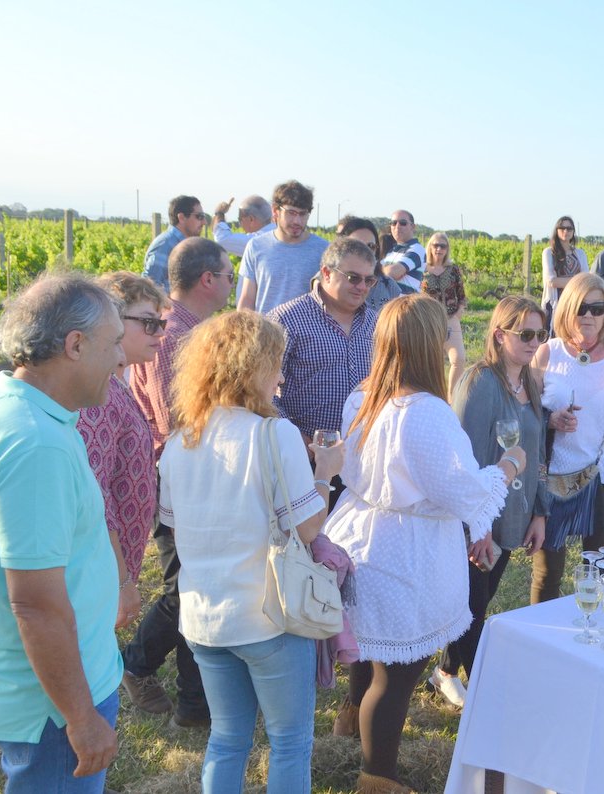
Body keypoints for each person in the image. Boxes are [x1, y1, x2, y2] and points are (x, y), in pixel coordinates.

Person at [324, 294, 524, 794]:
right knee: (396, 673)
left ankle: (350, 718)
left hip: (361, 532)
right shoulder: (427, 412)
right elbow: (462, 490)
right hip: (405, 550)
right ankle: (378, 776)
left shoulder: (364, 395)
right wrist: (509, 465)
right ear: (429, 345)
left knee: (369, 645)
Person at [159, 310, 343, 794]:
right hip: (269, 616)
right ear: (253, 366)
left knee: (226, 739)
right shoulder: (274, 433)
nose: (281, 378)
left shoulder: (179, 442)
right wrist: (325, 472)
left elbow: (175, 528)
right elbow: (308, 528)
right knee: (289, 742)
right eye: (277, 364)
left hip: (204, 618)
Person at [0, 273, 125, 792]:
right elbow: (36, 604)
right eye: (114, 344)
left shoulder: (9, 410)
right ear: (75, 345)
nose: (122, 360)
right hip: (53, 710)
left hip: (46, 690)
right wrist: (81, 719)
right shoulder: (33, 442)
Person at [122, 237, 235, 727]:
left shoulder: (188, 330)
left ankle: (190, 700)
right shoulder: (176, 337)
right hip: (178, 479)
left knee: (191, 583)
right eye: (228, 275)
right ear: (208, 280)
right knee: (187, 587)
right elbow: (179, 424)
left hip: (183, 475)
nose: (232, 284)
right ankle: (144, 670)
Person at [427, 296, 549, 707]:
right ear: (499, 334)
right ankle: (490, 700)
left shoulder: (530, 382)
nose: (535, 342)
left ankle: (444, 673)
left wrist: (539, 511)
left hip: (514, 514)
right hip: (480, 521)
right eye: (525, 334)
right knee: (474, 612)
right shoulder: (479, 382)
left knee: (477, 604)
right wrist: (474, 530)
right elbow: (463, 462)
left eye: (540, 334)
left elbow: (538, 453)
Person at [530, 273, 604, 603]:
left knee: (602, 573)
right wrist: (551, 420)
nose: (589, 316)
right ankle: (543, 630)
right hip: (552, 477)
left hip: (603, 476)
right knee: (547, 574)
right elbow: (526, 417)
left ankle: (593, 631)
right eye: (581, 307)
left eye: (597, 309)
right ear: (567, 308)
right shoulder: (547, 353)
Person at [77, 272, 169, 631]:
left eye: (160, 322)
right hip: (96, 574)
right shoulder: (96, 394)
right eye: (148, 322)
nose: (159, 332)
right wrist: (120, 581)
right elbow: (98, 499)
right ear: (111, 321)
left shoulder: (115, 382)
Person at [268, 237, 380, 509]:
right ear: (326, 273)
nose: (362, 287)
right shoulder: (287, 319)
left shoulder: (376, 323)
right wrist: (294, 437)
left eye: (369, 280)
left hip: (363, 459)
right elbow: (261, 390)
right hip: (306, 459)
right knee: (308, 531)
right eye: (353, 278)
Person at [237, 180, 329, 314]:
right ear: (275, 211)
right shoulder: (256, 247)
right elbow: (247, 299)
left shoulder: (323, 250)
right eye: (291, 213)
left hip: (308, 328)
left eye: (303, 214)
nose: (297, 221)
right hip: (265, 327)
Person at [422, 232, 468, 393]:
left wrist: (458, 313)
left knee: (459, 359)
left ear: (447, 249)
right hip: (428, 321)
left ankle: (451, 397)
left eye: (443, 246)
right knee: (432, 362)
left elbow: (462, 295)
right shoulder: (422, 269)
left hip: (450, 318)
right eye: (435, 245)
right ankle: (435, 396)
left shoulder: (453, 269)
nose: (439, 249)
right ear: (430, 247)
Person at [143, 195, 205, 292]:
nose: (204, 222)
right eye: (199, 217)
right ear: (181, 218)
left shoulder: (187, 245)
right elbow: (150, 288)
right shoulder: (165, 245)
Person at [540, 215, 587, 334]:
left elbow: (586, 279)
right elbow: (551, 281)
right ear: (556, 230)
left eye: (569, 228)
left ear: (573, 232)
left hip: (575, 303)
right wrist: (578, 281)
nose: (566, 231)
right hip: (556, 304)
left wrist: (565, 281)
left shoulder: (580, 254)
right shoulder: (549, 253)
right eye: (562, 228)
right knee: (553, 337)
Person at [211, 194, 276, 256]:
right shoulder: (278, 233)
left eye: (240, 219)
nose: (240, 224)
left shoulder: (256, 241)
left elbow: (222, 239)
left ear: (251, 219)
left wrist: (219, 213)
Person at [380, 209, 426, 294]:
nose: (397, 226)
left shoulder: (417, 249)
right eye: (394, 223)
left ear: (413, 227)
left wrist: (380, 270)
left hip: (405, 302)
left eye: (403, 223)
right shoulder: (390, 250)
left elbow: (392, 273)